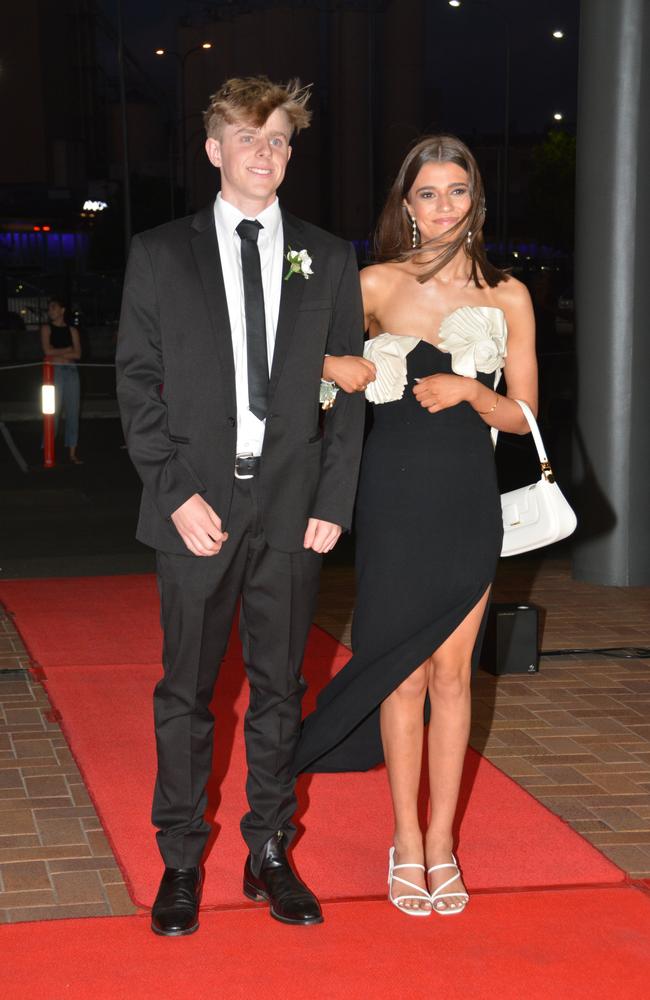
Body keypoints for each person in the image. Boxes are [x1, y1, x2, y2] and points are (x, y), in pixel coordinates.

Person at [116, 77, 365, 936]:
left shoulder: (327, 257)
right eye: (250, 139)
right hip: (197, 504)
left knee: (278, 688)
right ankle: (180, 861)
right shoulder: (158, 253)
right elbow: (136, 388)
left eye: (281, 141)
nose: (268, 155)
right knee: (186, 692)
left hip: (294, 507)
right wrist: (174, 492)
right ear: (215, 150)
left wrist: (334, 497)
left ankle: (268, 852)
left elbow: (349, 388)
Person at [294, 135, 538, 916]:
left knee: (455, 674)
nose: (442, 207)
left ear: (477, 202)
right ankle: (405, 840)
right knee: (401, 671)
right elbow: (301, 362)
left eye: (456, 192)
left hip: (467, 499)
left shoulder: (509, 296)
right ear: (406, 204)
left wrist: (470, 393)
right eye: (427, 194)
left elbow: (526, 419)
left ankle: (442, 845)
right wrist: (340, 371)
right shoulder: (370, 285)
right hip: (391, 500)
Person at [40, 297, 82, 464]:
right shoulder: (46, 328)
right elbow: (47, 351)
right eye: (49, 308)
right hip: (54, 372)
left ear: (62, 310)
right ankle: (47, 449)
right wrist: (67, 350)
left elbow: (78, 354)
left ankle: (72, 453)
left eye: (53, 307)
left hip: (71, 371)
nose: (50, 310)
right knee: (52, 412)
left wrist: (58, 353)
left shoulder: (72, 330)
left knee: (73, 412)